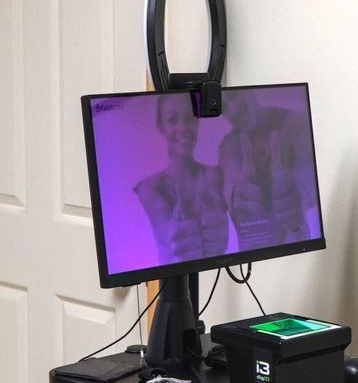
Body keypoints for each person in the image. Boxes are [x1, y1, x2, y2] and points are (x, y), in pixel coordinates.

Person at [134, 92, 230, 264]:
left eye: (190, 117)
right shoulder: (148, 188)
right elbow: (167, 231)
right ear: (160, 126)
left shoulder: (216, 175)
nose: (183, 127)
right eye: (172, 120)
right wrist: (178, 237)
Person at [218, 90, 316, 250]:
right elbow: (232, 180)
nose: (233, 109)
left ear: (247, 91)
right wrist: (239, 196)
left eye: (233, 96)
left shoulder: (297, 123)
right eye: (224, 107)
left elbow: (308, 176)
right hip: (254, 256)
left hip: (295, 253)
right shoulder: (229, 146)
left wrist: (298, 193)